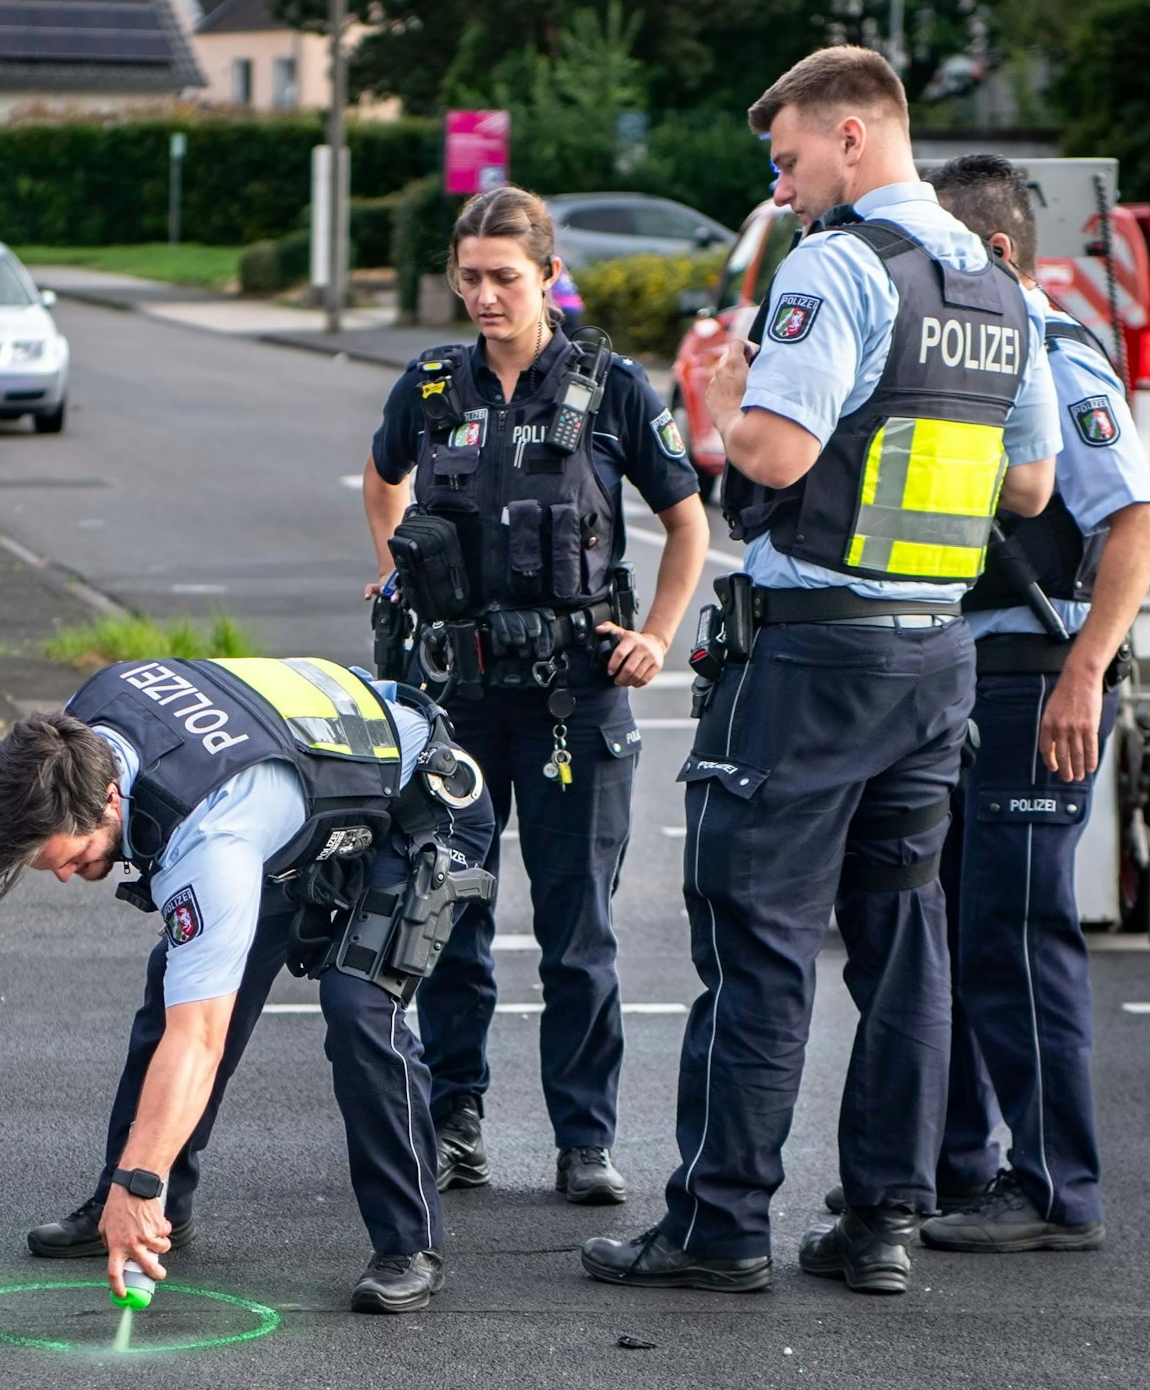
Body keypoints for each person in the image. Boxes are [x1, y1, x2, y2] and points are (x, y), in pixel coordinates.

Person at [581, 47, 1061, 1296]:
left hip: (814, 668)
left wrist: (726, 401)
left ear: (852, 135)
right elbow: (1027, 485)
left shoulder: (839, 267)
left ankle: (719, 1223)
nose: (784, 188)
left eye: (788, 159)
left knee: (758, 939)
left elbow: (777, 458)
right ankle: (882, 1222)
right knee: (902, 940)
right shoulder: (999, 287)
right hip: (935, 659)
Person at [361, 186, 709, 1201]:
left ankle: (582, 1139)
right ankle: (456, 1121)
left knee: (576, 931)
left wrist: (655, 637)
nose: (481, 295)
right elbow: (380, 478)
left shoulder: (610, 388)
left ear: (546, 276)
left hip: (574, 700)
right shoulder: (430, 388)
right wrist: (391, 573)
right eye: (466, 276)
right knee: (447, 917)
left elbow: (687, 522)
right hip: (457, 701)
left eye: (501, 277)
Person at [850, 153, 1150, 1253]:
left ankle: (1050, 1191)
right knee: (936, 928)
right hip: (954, 672)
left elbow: (1137, 520)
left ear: (989, 251)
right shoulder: (980, 350)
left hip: (1034, 677)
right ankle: (956, 1165)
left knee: (1013, 938)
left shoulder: (1052, 350)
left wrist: (1083, 673)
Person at [0, 657, 496, 1313]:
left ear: (108, 798)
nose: (64, 876)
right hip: (304, 809)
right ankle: (149, 1204)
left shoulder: (207, 843)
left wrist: (138, 1181)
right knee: (176, 978)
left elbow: (198, 1038)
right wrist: (133, 1184)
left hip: (417, 804)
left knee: (359, 1005)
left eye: (74, 857)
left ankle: (407, 1245)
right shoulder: (85, 719)